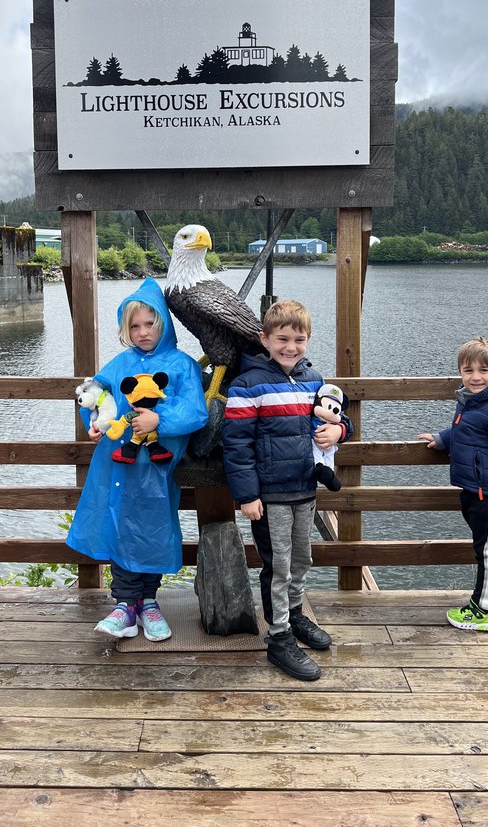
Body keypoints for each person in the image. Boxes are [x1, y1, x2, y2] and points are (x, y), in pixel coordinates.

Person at [67, 278, 208, 641]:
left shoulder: (182, 365)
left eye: (149, 323)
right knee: (118, 526)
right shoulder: (119, 363)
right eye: (134, 326)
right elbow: (96, 397)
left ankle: (147, 601)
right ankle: (125, 605)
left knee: (152, 531)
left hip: (157, 470)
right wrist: (93, 425)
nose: (142, 332)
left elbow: (195, 411)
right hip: (116, 465)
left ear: (163, 323)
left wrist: (160, 419)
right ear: (125, 329)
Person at [222, 299, 353, 680]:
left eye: (299, 339)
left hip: (305, 489)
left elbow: (338, 417)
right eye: (282, 339)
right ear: (265, 339)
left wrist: (339, 431)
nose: (290, 347)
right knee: (277, 566)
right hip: (270, 495)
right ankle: (278, 638)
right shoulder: (247, 385)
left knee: (302, 559)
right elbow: (237, 445)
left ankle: (294, 616)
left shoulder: (315, 381)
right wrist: (247, 495)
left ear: (308, 340)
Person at [418, 336, 488, 633]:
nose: (476, 377)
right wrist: (442, 439)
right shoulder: (475, 402)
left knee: (487, 551)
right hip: (477, 490)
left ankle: (483, 610)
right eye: (468, 370)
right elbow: (467, 433)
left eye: (484, 370)